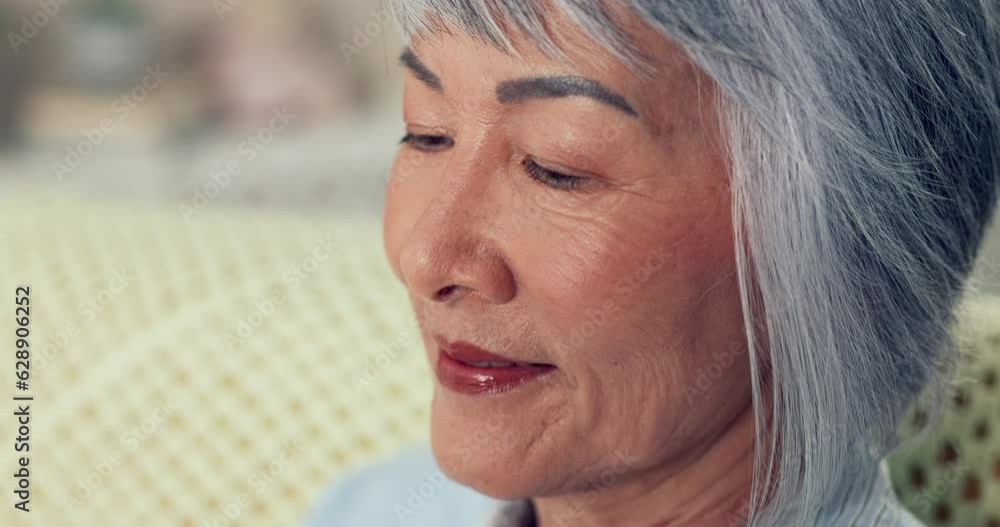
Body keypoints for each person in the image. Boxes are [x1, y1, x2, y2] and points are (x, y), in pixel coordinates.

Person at [307, 1, 999, 525]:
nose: (425, 254)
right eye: (427, 133)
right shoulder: (374, 508)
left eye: (557, 169)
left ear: (854, 261)